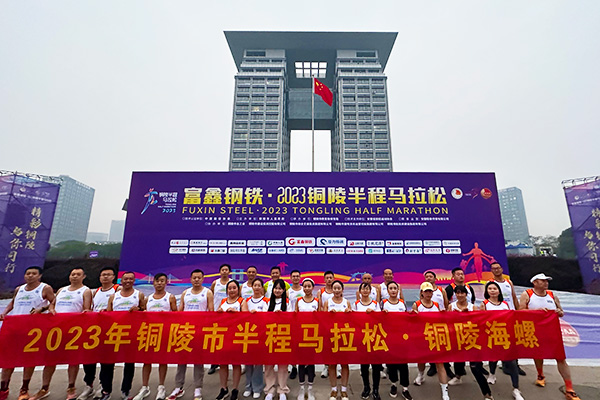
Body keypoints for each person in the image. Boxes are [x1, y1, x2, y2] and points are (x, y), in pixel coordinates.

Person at [29, 267, 92, 400]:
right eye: (73, 274)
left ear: (84, 277)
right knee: (50, 360)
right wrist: (51, 309)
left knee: (73, 361)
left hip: (73, 331)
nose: (75, 276)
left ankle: (71, 388)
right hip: (56, 329)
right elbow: (53, 304)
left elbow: (86, 310)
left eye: (78, 274)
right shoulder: (61, 290)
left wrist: (85, 314)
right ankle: (44, 388)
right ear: (69, 276)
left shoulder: (85, 291)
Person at [519, 273, 580, 400]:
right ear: (535, 282)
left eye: (547, 281)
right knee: (538, 354)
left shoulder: (552, 295)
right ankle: (540, 375)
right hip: (535, 330)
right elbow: (520, 311)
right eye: (543, 281)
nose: (546, 283)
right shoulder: (527, 294)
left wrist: (559, 312)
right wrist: (537, 312)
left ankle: (569, 388)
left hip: (552, 331)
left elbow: (561, 312)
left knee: (561, 358)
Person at [0, 266, 55, 400]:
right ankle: (3, 388)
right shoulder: (19, 289)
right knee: (8, 360)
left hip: (33, 331)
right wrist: (5, 312)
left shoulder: (45, 288)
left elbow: (53, 301)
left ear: (39, 276)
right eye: (28, 273)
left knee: (28, 360)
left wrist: (42, 309)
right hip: (15, 328)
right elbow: (13, 303)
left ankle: (24, 389)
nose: (30, 275)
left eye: (34, 273)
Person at [168, 269, 214, 400]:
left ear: (203, 279)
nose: (197, 280)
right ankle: (178, 387)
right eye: (194, 278)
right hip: (185, 330)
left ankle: (198, 388)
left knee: (198, 361)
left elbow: (211, 311)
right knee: (181, 359)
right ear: (190, 279)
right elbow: (180, 310)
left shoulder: (207, 292)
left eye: (199, 278)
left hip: (199, 331)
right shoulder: (185, 293)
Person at [444, 285, 495, 400]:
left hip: (471, 340)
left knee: (475, 368)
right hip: (457, 339)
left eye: (462, 293)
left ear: (466, 294)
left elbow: (479, 323)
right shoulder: (451, 306)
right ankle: (458, 376)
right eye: (457, 293)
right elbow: (447, 322)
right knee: (458, 360)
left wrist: (467, 316)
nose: (460, 295)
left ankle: (487, 394)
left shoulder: (473, 307)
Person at [132, 274, 177, 400]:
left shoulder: (170, 297)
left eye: (162, 281)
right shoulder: (148, 299)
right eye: (157, 281)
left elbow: (176, 315)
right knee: (147, 361)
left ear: (166, 283)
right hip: (150, 333)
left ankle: (161, 387)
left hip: (164, 333)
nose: (159, 283)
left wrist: (167, 316)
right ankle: (144, 387)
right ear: (153, 283)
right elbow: (143, 314)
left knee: (162, 361)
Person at [79, 267, 120, 400]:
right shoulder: (95, 291)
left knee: (106, 361)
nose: (105, 277)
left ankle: (104, 388)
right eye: (103, 275)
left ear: (113, 277)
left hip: (109, 329)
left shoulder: (117, 290)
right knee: (88, 359)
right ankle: (89, 384)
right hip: (94, 330)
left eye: (108, 275)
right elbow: (90, 308)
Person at [479, 282, 523, 400]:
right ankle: (492, 374)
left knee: (512, 362)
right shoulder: (484, 304)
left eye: (495, 288)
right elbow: (481, 320)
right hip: (492, 336)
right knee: (493, 358)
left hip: (505, 336)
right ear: (487, 291)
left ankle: (516, 389)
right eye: (490, 288)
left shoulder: (505, 304)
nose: (492, 290)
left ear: (499, 291)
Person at [107, 271, 145, 400]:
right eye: (125, 279)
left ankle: (126, 390)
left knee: (129, 364)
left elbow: (145, 312)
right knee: (109, 363)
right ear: (121, 281)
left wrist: (138, 310)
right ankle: (106, 390)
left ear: (134, 281)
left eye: (131, 279)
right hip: (115, 333)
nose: (128, 281)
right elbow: (108, 314)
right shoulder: (113, 296)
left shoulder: (139, 295)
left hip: (132, 334)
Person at [412, 282, 449, 400]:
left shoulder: (437, 305)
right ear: (422, 293)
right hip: (421, 337)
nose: (428, 294)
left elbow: (442, 319)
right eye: (426, 291)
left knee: (440, 363)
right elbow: (413, 321)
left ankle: (445, 391)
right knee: (421, 360)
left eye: (430, 291)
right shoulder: (417, 304)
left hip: (435, 337)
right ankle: (420, 375)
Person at [488, 262, 526, 376]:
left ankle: (515, 365)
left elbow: (513, 297)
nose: (496, 270)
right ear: (491, 271)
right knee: (502, 340)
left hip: (511, 314)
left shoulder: (509, 282)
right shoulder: (491, 283)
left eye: (498, 268)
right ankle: (505, 365)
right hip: (499, 316)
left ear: (501, 269)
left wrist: (519, 311)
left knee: (514, 341)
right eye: (494, 269)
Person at [216, 280, 248, 400]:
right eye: (230, 288)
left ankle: (235, 389)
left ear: (238, 290)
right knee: (223, 364)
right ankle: (223, 388)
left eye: (234, 288)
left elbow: (246, 317)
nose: (232, 290)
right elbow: (217, 318)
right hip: (224, 335)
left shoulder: (242, 301)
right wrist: (219, 313)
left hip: (237, 336)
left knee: (236, 364)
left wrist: (236, 313)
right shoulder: (223, 301)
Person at [381, 282, 412, 400]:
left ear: (398, 290)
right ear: (387, 291)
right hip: (389, 337)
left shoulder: (402, 303)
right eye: (391, 288)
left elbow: (407, 318)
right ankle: (393, 384)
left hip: (402, 337)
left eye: (395, 288)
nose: (393, 290)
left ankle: (405, 388)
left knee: (403, 364)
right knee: (391, 363)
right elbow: (378, 319)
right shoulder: (384, 303)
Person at [444, 268, 475, 381]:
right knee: (458, 351)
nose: (461, 276)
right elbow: (446, 303)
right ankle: (457, 373)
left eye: (462, 274)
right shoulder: (449, 289)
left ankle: (477, 368)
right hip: (456, 328)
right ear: (453, 276)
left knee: (473, 350)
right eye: (458, 274)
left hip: (469, 328)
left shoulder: (469, 287)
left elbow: (473, 301)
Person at [264, 280, 293, 400]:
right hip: (269, 336)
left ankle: (282, 389)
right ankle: (269, 389)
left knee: (283, 365)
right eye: (275, 288)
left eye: (280, 288)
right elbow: (262, 318)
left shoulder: (288, 302)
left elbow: (291, 318)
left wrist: (282, 315)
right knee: (269, 365)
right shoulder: (267, 302)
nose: (277, 290)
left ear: (284, 290)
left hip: (283, 336)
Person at [323, 280, 352, 400]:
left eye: (339, 288)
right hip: (331, 337)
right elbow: (322, 320)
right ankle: (334, 390)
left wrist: (349, 313)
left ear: (342, 289)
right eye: (334, 288)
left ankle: (344, 390)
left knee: (344, 364)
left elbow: (352, 320)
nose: (336, 290)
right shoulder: (327, 302)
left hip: (344, 337)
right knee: (332, 364)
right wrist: (328, 314)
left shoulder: (347, 302)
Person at [353, 283, 382, 400]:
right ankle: (366, 387)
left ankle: (376, 389)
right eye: (363, 289)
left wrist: (374, 314)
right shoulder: (356, 304)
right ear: (360, 291)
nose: (365, 291)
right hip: (362, 339)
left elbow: (380, 319)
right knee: (364, 366)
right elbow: (352, 320)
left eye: (367, 289)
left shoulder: (375, 304)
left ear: (370, 291)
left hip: (374, 338)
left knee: (376, 366)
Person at [243, 278, 268, 399]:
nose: (257, 287)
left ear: (262, 287)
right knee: (248, 362)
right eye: (255, 285)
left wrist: (258, 315)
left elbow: (268, 316)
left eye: (259, 285)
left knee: (258, 363)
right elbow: (243, 316)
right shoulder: (247, 301)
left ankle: (257, 387)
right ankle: (248, 386)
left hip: (261, 334)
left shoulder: (266, 300)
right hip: (249, 334)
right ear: (252, 287)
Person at [295, 278, 318, 400]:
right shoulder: (299, 300)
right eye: (305, 286)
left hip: (313, 336)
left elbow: (321, 318)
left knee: (311, 362)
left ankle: (310, 389)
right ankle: (301, 388)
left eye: (309, 286)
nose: (307, 288)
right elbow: (295, 317)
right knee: (301, 362)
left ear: (313, 287)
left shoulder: (317, 301)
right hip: (301, 335)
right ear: (302, 288)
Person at [209, 264, 232, 376]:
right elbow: (211, 296)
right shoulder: (215, 283)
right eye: (222, 270)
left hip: (229, 315)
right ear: (220, 271)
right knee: (215, 339)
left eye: (226, 270)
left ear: (229, 272)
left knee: (227, 338)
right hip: (217, 314)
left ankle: (227, 360)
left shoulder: (232, 283)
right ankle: (214, 363)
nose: (224, 271)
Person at [317, 271, 336, 379]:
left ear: (333, 279)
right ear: (324, 279)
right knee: (326, 345)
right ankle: (326, 366)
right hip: (325, 321)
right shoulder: (321, 291)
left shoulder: (337, 290)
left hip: (336, 322)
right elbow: (319, 306)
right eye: (327, 278)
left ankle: (336, 367)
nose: (329, 279)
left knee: (335, 343)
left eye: (330, 278)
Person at [286, 270, 303, 380]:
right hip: (292, 321)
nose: (296, 278)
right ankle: (293, 367)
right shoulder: (288, 292)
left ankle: (304, 366)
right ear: (291, 278)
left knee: (302, 344)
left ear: (300, 277)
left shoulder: (304, 289)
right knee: (292, 345)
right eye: (294, 276)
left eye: (297, 276)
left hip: (303, 321)